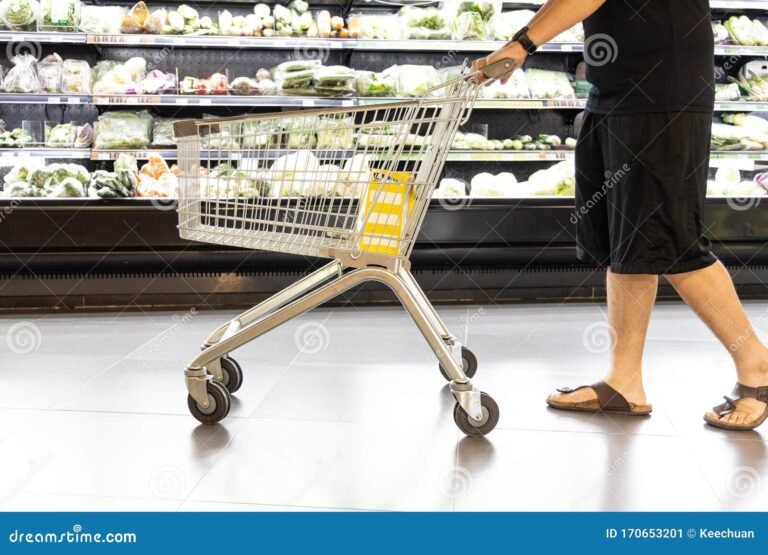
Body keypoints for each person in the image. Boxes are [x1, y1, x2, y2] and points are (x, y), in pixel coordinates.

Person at [473, 0, 768, 430]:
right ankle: (625, 381)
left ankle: (757, 367)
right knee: (624, 240)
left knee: (674, 241)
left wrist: (522, 44)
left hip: (661, 92)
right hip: (618, 90)